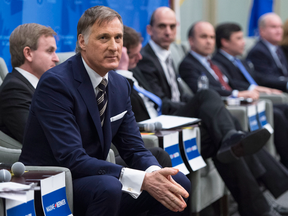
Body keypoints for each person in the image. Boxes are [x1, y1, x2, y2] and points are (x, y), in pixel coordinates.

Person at [19, 6, 191, 216]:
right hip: (53, 180)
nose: (114, 46)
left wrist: (154, 174)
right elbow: (72, 157)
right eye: (103, 38)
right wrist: (142, 180)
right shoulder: (56, 84)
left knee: (177, 184)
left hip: (97, 176)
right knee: (108, 187)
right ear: (82, 41)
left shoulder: (119, 85)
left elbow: (134, 148)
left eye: (118, 38)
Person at [137, 7, 288, 215]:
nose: (168, 31)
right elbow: (162, 103)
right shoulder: (145, 57)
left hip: (178, 116)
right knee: (207, 96)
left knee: (224, 144)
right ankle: (278, 186)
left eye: (172, 26)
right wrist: (198, 103)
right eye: (162, 26)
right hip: (165, 121)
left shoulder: (167, 54)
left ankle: (259, 208)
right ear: (150, 29)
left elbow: (179, 94)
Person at [212, 22, 288, 168]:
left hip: (254, 98)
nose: (244, 42)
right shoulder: (218, 62)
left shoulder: (239, 60)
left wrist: (262, 88)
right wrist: (254, 88)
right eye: (239, 38)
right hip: (240, 103)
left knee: (284, 108)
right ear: (225, 42)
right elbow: (233, 84)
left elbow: (256, 78)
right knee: (276, 113)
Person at [0, 23, 59, 143]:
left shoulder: (45, 87)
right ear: (28, 53)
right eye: (49, 51)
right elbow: (38, 140)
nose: (56, 58)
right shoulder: (13, 90)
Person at [246, 13, 288, 92]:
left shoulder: (278, 48)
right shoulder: (258, 51)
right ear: (262, 30)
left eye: (280, 27)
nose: (279, 30)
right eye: (274, 27)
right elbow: (266, 79)